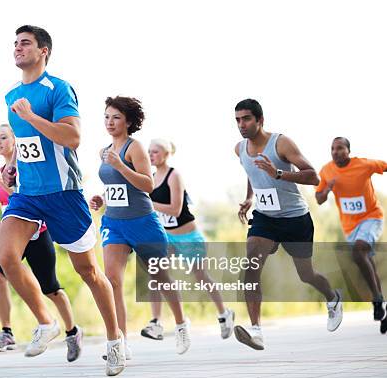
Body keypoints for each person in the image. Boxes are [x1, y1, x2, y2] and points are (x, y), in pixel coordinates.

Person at [0, 25, 125, 376]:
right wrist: (12, 167)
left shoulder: (57, 89)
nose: (17, 48)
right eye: (15, 44)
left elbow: (72, 137)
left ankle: (115, 341)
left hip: (64, 195)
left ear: (44, 51)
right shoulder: (11, 96)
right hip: (27, 195)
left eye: (25, 43)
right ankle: (46, 321)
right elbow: (25, 145)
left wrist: (31, 117)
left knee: (88, 272)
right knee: (6, 255)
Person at [233, 98, 343, 350]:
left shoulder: (281, 143)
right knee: (250, 265)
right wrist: (250, 198)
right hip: (265, 219)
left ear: (260, 120)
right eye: (238, 120)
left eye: (247, 118)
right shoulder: (239, 149)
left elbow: (314, 177)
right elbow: (252, 172)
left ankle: (332, 297)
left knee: (306, 275)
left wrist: (279, 174)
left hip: (295, 219)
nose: (242, 124)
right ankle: (256, 330)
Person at [90, 96, 191, 358]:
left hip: (143, 222)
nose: (110, 122)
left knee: (160, 277)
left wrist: (120, 165)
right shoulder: (103, 151)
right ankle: (120, 342)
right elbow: (116, 185)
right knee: (112, 281)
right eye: (106, 117)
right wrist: (102, 197)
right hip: (114, 222)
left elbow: (148, 185)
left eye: (116, 117)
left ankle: (181, 324)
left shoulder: (135, 148)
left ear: (129, 122)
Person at [0, 123, 83, 361]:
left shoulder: (25, 165)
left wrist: (1, 182)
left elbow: (21, 197)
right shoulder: (3, 169)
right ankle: (7, 332)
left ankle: (72, 331)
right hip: (10, 233)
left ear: (15, 140)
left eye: (3, 137)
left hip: (36, 230)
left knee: (50, 288)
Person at [141, 138, 235, 340]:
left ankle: (224, 313)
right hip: (165, 236)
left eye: (155, 151)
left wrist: (149, 203)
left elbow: (175, 209)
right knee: (156, 275)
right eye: (149, 151)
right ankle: (156, 322)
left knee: (201, 276)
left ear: (166, 154)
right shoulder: (150, 177)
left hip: (187, 235)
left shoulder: (174, 176)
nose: (151, 155)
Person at [316, 137, 386, 332]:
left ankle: (377, 298)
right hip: (350, 226)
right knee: (365, 260)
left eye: (340, 148)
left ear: (348, 151)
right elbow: (319, 199)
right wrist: (327, 190)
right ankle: (379, 302)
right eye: (332, 149)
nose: (335, 152)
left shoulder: (363, 164)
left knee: (358, 252)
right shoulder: (326, 170)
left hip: (372, 217)